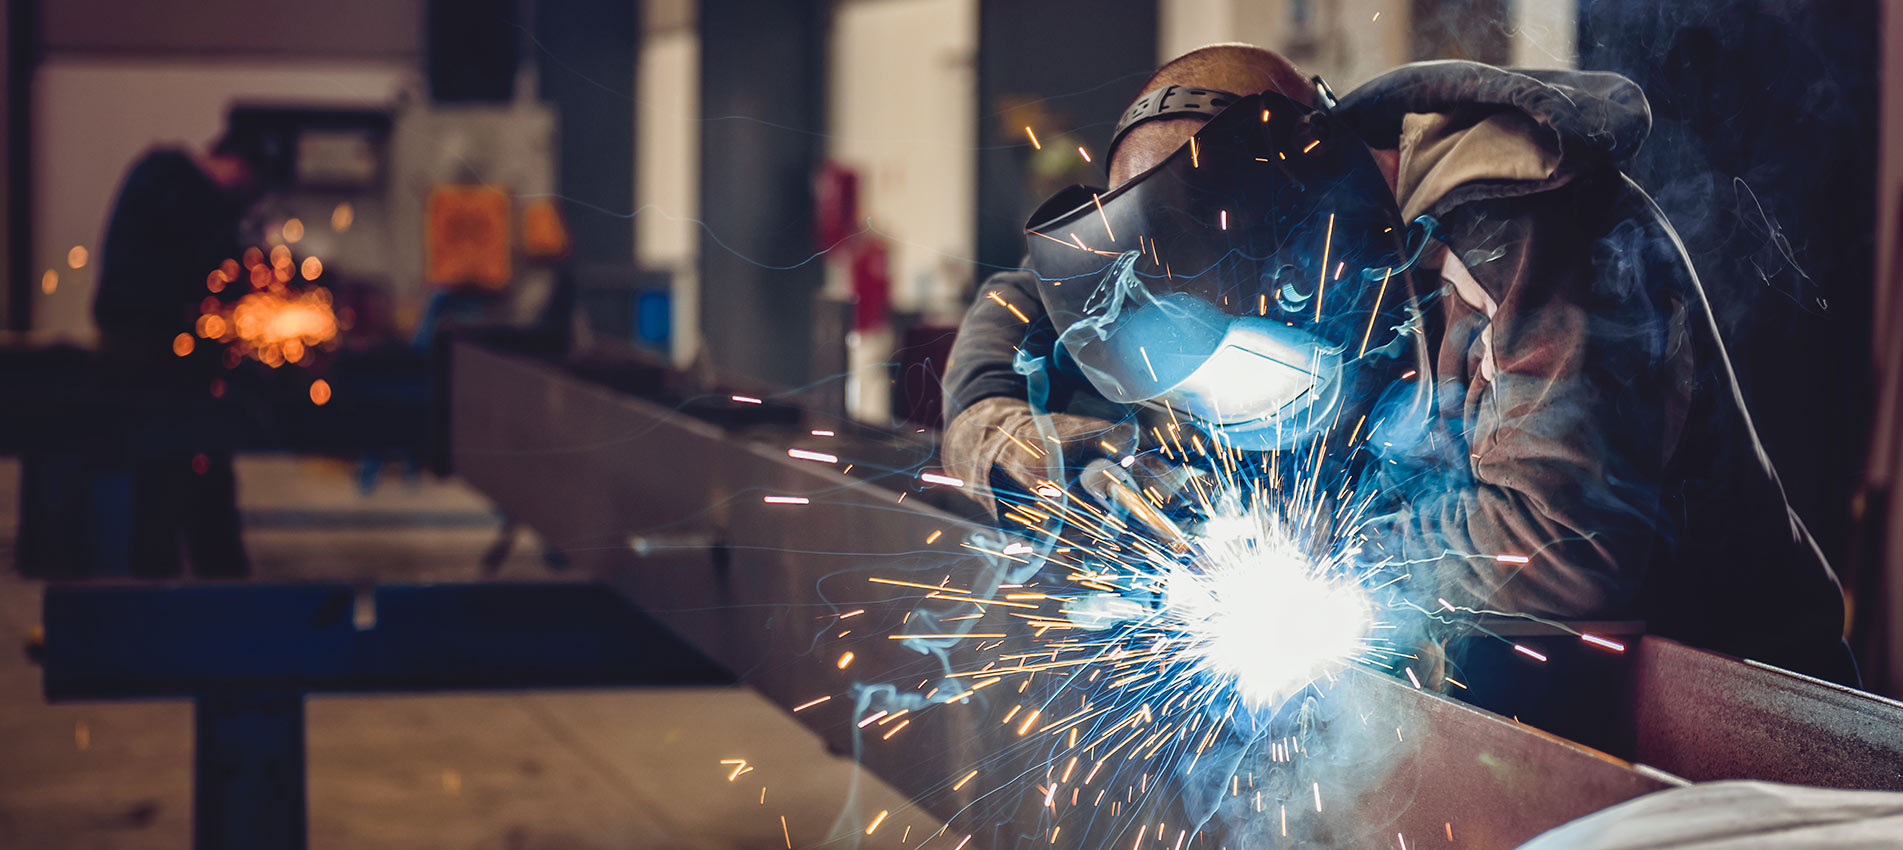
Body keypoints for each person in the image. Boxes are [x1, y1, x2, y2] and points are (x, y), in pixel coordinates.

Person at [940, 44, 1857, 684]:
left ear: (1300, 227)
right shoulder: (1285, 231)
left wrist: (1301, 559)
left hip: (1727, 714)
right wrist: (1002, 428)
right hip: (1522, 696)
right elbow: (1022, 299)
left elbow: (1557, 543)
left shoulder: (1523, 226)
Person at [91, 128, 267, 578]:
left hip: (160, 355)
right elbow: (205, 276)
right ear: (232, 162)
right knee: (173, 474)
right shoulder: (178, 183)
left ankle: (202, 581)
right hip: (154, 359)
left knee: (193, 472)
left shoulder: (166, 179)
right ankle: (184, 586)